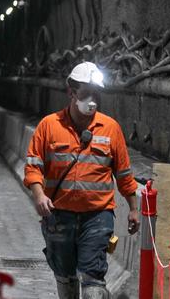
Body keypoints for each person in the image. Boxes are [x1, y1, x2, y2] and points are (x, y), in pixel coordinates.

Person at [24, 62, 140, 299]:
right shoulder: (49, 126)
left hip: (97, 217)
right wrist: (39, 195)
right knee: (65, 276)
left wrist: (134, 208)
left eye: (96, 94)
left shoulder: (110, 129)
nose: (92, 100)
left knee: (93, 280)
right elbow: (33, 167)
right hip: (58, 216)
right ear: (71, 92)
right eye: (86, 93)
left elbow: (124, 174)